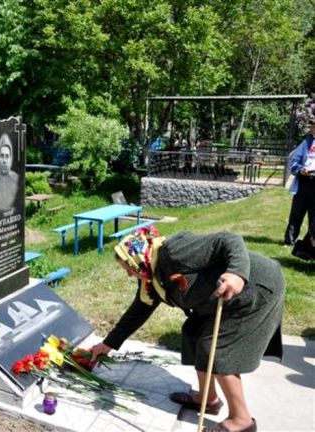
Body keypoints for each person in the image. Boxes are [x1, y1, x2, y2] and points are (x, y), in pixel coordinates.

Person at [90, 227, 284, 432]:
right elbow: (138, 311)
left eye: (128, 268)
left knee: (217, 350)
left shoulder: (173, 252)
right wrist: (107, 345)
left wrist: (237, 273)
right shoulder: (150, 278)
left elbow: (228, 239)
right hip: (221, 298)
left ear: (136, 258)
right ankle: (207, 399)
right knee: (193, 332)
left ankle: (241, 420)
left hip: (255, 286)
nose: (130, 274)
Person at [283, 117, 315, 245]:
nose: (313, 128)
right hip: (304, 181)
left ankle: (311, 242)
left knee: (314, 216)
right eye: (312, 126)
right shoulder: (306, 143)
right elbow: (294, 160)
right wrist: (300, 170)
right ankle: (289, 240)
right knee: (297, 212)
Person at [0, 134, 19, 212]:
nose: (4, 161)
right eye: (2, 156)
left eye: (7, 156)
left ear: (10, 159)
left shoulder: (16, 179)